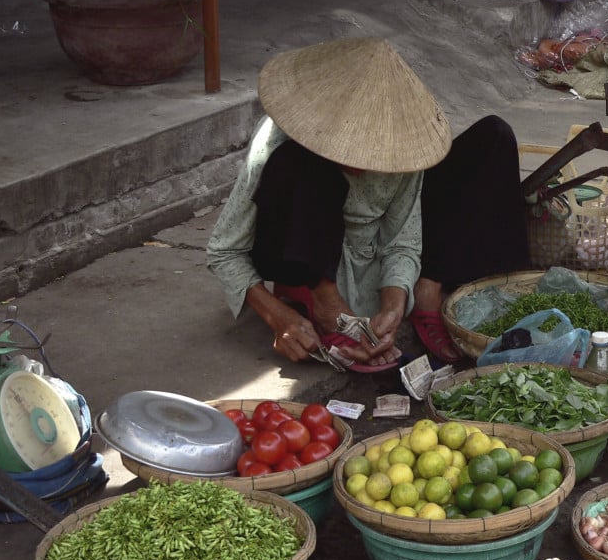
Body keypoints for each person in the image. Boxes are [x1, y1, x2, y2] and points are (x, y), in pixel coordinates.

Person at [207, 36, 531, 372]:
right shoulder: (279, 139)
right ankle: (322, 301)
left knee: (495, 137)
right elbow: (224, 250)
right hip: (305, 254)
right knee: (298, 164)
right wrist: (278, 316)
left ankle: (429, 289)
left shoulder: (404, 143)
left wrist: (394, 302)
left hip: (374, 259)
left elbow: (403, 239)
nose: (360, 159)